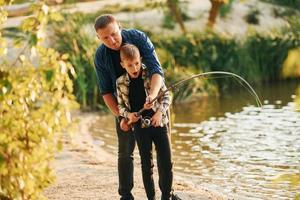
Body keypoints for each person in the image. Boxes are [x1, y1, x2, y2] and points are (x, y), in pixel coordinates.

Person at [94, 14, 164, 200]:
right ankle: (126, 195)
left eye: (114, 34)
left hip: (154, 102)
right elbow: (106, 92)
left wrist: (154, 95)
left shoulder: (138, 38)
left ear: (120, 28)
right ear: (99, 38)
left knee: (164, 152)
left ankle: (168, 193)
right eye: (105, 38)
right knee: (125, 152)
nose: (112, 40)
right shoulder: (101, 56)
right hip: (125, 108)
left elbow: (157, 70)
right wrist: (122, 117)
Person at [117, 44, 181, 200]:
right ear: (122, 65)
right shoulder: (120, 83)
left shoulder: (151, 74)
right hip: (140, 127)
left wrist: (159, 113)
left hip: (159, 123)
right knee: (147, 166)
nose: (134, 68)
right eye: (130, 65)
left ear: (141, 60)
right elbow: (120, 106)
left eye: (137, 63)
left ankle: (166, 196)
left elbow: (167, 96)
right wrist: (129, 115)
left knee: (166, 162)